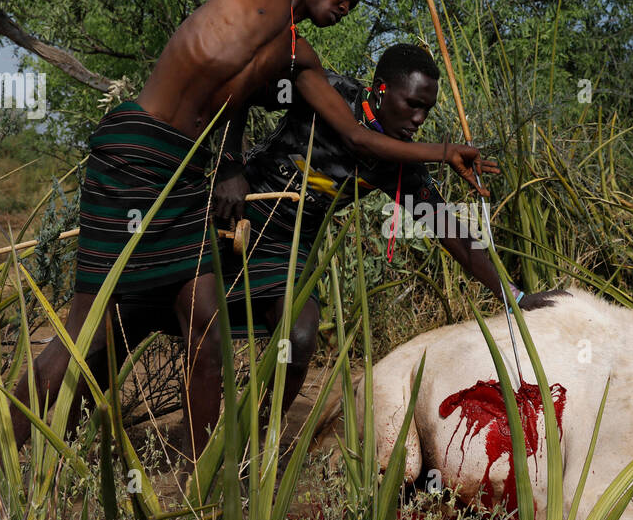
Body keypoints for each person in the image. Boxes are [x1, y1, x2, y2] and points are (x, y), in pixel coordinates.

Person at [0, 0, 497, 501]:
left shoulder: (297, 56)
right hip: (140, 152)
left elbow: (346, 134)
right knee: (89, 336)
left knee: (209, 334)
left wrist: (446, 155)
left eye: (356, 3)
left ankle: (201, 490)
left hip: (187, 176)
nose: (346, 8)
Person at [226, 42, 567, 415]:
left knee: (301, 338)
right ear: (381, 88)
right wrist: (229, 168)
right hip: (238, 213)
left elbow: (456, 238)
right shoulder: (329, 92)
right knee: (201, 322)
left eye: (427, 109)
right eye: (412, 103)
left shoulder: (400, 165)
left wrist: (515, 298)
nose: (419, 118)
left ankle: (257, 441)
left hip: (293, 247)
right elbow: (239, 92)